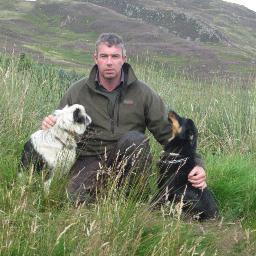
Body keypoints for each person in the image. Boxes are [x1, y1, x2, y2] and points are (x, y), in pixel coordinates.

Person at [42, 33, 206, 203]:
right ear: (95, 58)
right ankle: (102, 192)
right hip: (90, 159)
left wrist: (197, 164)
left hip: (129, 160)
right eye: (104, 56)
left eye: (115, 56)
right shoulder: (77, 91)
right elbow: (58, 130)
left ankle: (135, 197)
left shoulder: (143, 92)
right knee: (74, 200)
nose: (109, 62)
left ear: (124, 59)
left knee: (135, 139)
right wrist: (48, 127)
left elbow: (170, 134)